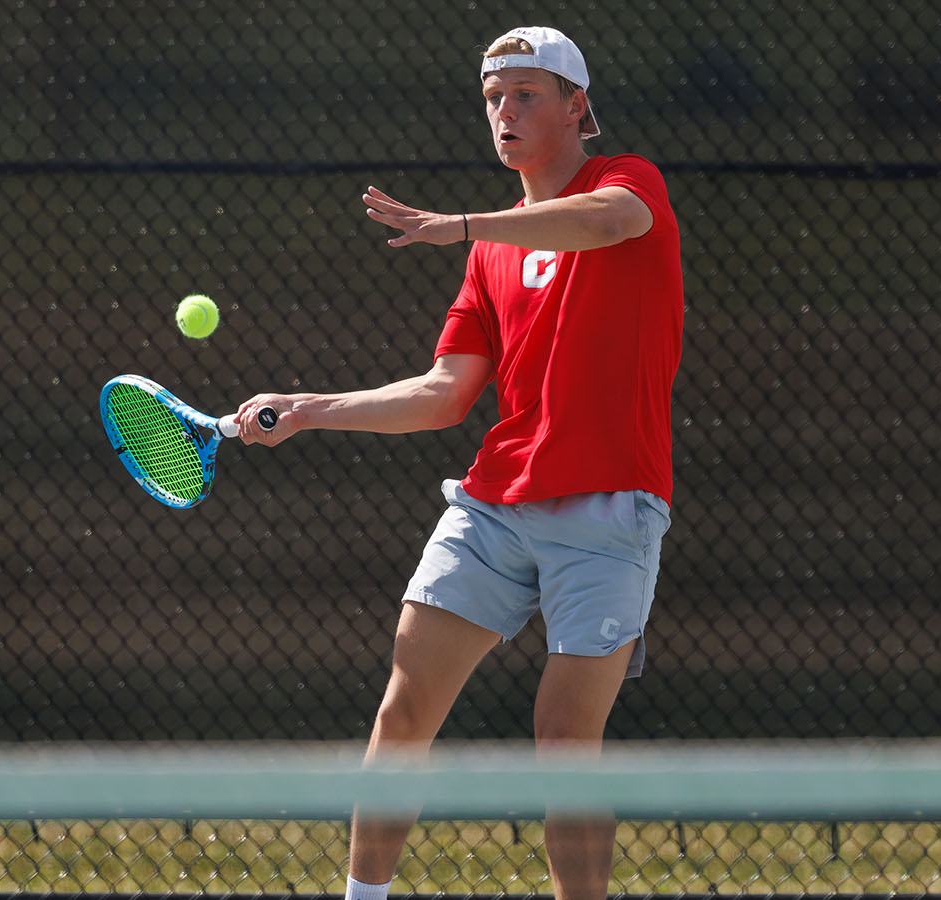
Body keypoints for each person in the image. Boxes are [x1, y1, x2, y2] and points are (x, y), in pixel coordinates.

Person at [231, 24, 684, 900]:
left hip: (610, 510)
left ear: (575, 106)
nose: (503, 114)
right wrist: (310, 411)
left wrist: (466, 223)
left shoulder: (628, 182)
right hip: (493, 507)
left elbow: (609, 224)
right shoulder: (490, 253)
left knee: (563, 745)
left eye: (524, 95)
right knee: (403, 709)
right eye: (491, 100)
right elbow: (444, 394)